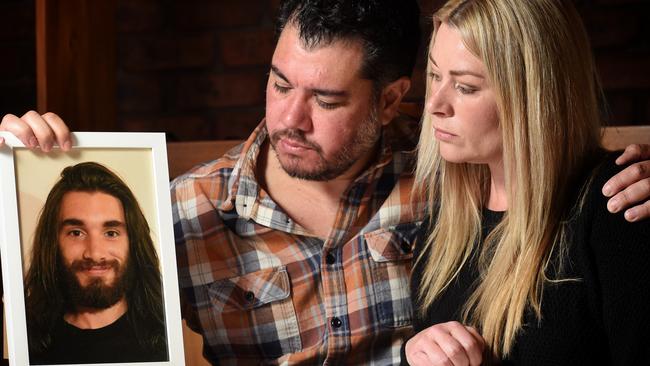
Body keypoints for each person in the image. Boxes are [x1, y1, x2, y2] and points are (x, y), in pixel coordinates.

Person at [1, 0, 650, 364]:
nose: (288, 119)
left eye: (328, 101)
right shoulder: (179, 211)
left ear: (393, 98)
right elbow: (59, 317)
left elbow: (547, 159)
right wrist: (24, 165)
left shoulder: (441, 180)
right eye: (280, 84)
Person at [404, 0, 650, 365]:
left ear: (532, 95)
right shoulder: (445, 223)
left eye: (466, 87)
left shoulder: (620, 205)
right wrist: (415, 356)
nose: (434, 105)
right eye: (436, 76)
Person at [24, 162, 168, 364]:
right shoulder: (23, 339)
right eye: (76, 233)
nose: (95, 253)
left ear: (133, 242)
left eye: (111, 233)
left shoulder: (168, 333)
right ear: (53, 243)